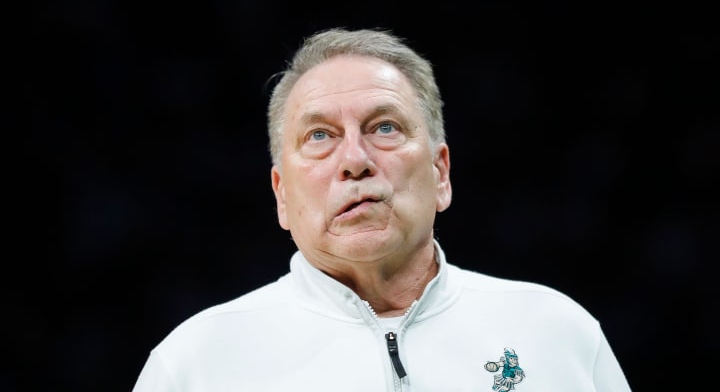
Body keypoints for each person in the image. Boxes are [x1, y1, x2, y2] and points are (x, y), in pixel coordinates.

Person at [132, 27, 631, 391]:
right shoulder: (194, 366)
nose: (354, 160)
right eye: (320, 136)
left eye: (385, 127)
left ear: (440, 173)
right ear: (282, 195)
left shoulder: (558, 334)